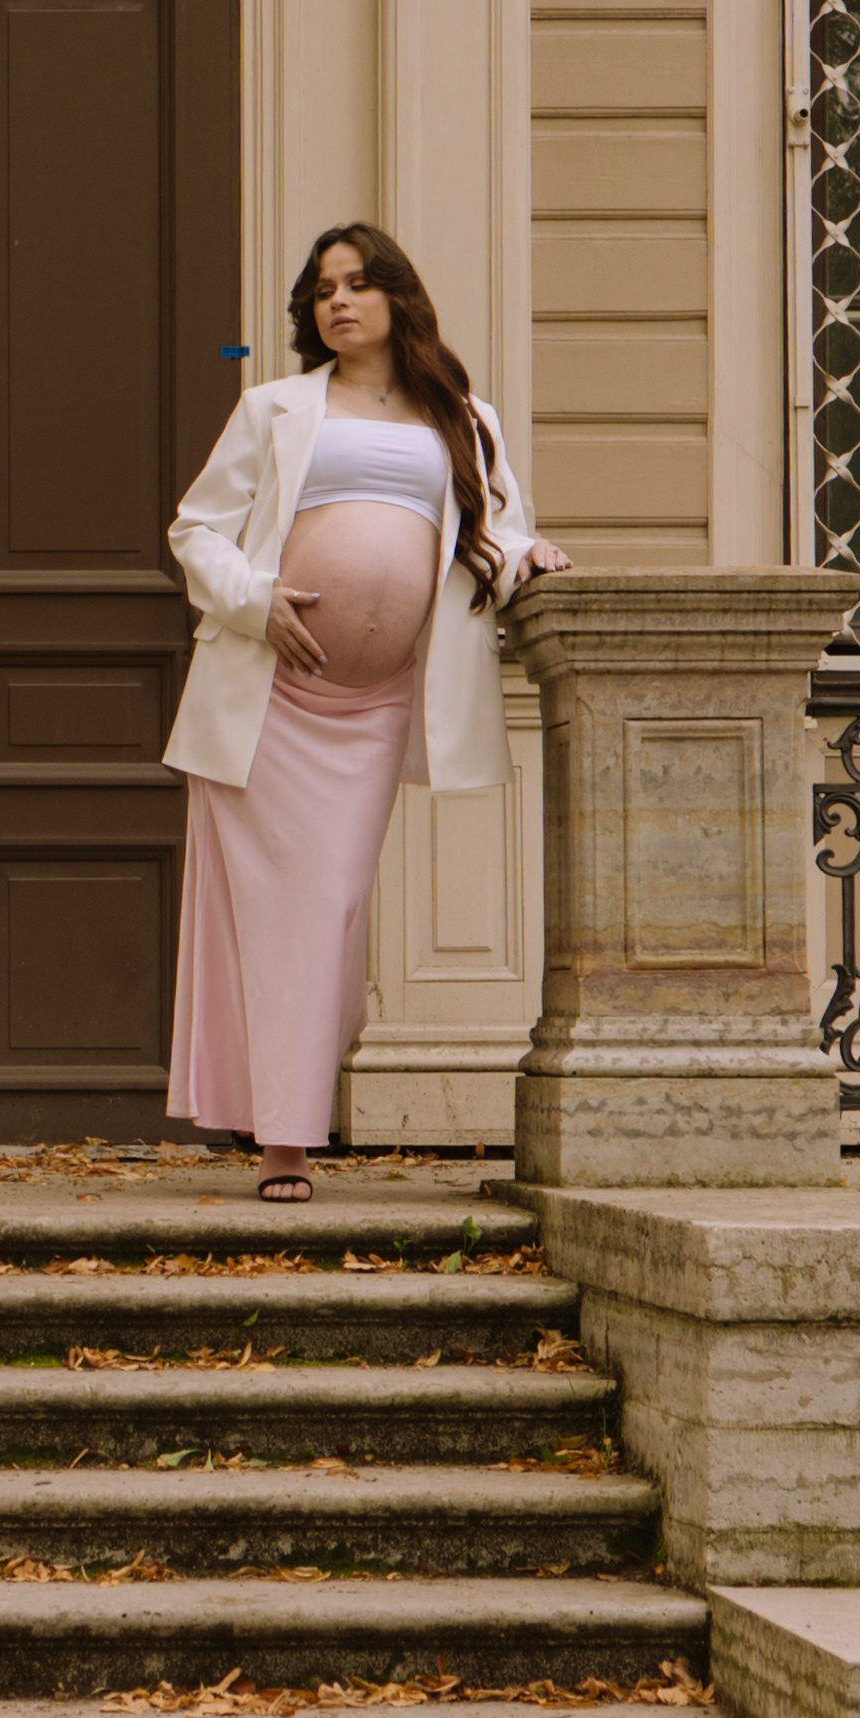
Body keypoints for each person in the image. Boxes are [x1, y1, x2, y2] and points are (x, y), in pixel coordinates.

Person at [163, 221, 570, 1204]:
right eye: (322, 291)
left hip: (375, 704)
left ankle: (288, 1096)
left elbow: (496, 531)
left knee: (332, 906)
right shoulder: (272, 408)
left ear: (397, 296)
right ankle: (285, 1144)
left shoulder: (464, 419)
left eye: (356, 284)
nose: (338, 302)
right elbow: (196, 529)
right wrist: (256, 601)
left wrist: (532, 558)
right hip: (271, 700)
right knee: (282, 914)